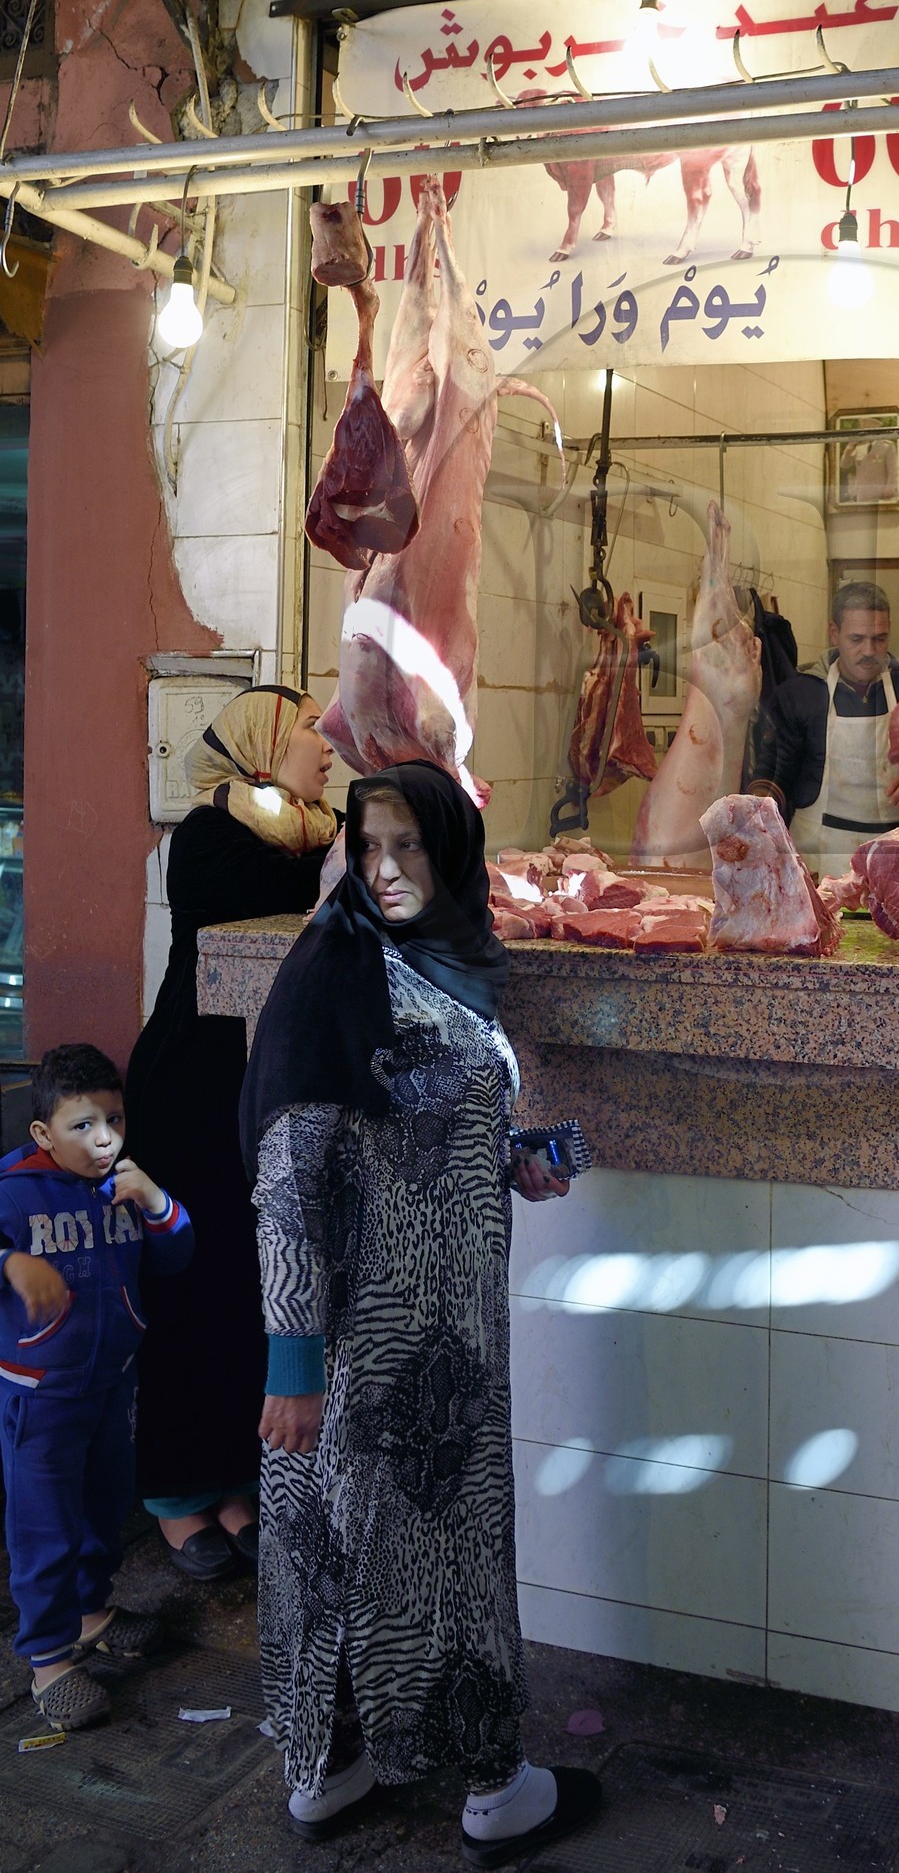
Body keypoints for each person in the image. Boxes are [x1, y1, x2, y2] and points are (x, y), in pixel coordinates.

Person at [241, 759, 603, 1862]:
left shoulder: (439, 965)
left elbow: (418, 1128)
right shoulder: (327, 978)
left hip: (447, 1333)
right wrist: (293, 1362)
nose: (387, 869)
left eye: (410, 846)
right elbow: (288, 1180)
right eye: (369, 847)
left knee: (375, 1557)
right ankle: (494, 1786)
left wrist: (517, 1158)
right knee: (417, 1560)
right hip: (366, 1346)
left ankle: (337, 1768)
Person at [125, 687, 337, 1579]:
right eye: (308, 731)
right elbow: (278, 916)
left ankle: (234, 1485)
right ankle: (176, 1496)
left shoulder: (312, 831)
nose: (327, 744)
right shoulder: (210, 839)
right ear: (260, 751)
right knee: (192, 1289)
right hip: (190, 1085)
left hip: (254, 1085)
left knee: (248, 1290)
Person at [0, 1043, 193, 1731]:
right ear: (43, 1134)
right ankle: (49, 1659)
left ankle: (90, 1614)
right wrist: (12, 1263)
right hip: (41, 1397)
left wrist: (158, 1201)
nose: (104, 1138)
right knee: (43, 1526)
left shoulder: (126, 1182)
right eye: (82, 1126)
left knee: (104, 1506)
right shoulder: (13, 1188)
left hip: (112, 1385)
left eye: (113, 1119)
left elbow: (177, 1253)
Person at [752, 580, 899, 874]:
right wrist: (753, 818)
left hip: (898, 856)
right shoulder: (800, 695)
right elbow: (774, 772)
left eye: (880, 639)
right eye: (857, 639)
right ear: (834, 633)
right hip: (823, 858)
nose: (869, 651)